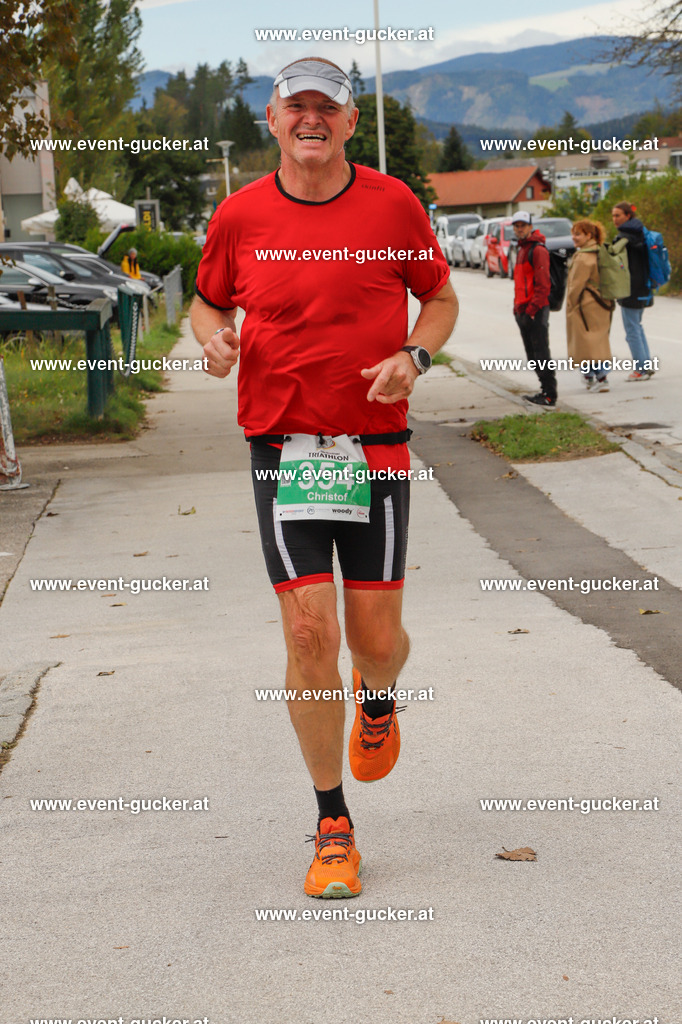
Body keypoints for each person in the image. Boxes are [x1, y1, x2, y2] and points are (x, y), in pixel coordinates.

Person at [190, 57, 458, 898]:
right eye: (295, 105)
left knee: (375, 644)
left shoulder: (393, 204)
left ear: (347, 122)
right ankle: (332, 824)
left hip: (373, 447)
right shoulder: (239, 215)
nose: (311, 118)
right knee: (310, 637)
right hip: (282, 448)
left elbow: (440, 299)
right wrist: (212, 336)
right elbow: (208, 300)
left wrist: (415, 354)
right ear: (271, 119)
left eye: (327, 107)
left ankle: (378, 700)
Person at [511, 211, 557, 408]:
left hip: (535, 310)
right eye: (516, 225)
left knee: (541, 353)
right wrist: (517, 308)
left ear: (530, 226)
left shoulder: (538, 250)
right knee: (532, 355)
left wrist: (531, 310)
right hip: (523, 309)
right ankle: (543, 390)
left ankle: (549, 394)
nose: (520, 228)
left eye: (523, 225)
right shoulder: (522, 248)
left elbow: (543, 284)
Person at [566, 219, 613, 392]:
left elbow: (575, 286)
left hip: (584, 304)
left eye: (578, 234)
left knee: (584, 343)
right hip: (602, 303)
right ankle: (597, 377)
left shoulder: (583, 257)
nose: (574, 237)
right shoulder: (600, 251)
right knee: (598, 341)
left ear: (588, 235)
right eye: (573, 233)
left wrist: (571, 304)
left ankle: (597, 379)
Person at [611, 202, 654, 381]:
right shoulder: (643, 233)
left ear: (628, 216)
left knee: (632, 330)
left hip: (630, 288)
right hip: (644, 285)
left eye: (618, 215)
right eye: (613, 216)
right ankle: (646, 365)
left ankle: (641, 369)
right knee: (637, 326)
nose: (614, 219)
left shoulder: (624, 238)